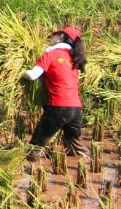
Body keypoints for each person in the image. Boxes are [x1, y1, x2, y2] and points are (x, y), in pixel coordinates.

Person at [23, 27, 88, 162]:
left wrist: (22, 73)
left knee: (35, 147)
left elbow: (33, 75)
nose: (50, 38)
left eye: (53, 36)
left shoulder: (51, 54)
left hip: (58, 108)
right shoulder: (74, 58)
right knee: (76, 149)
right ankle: (82, 170)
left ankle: (31, 170)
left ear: (60, 37)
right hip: (76, 109)